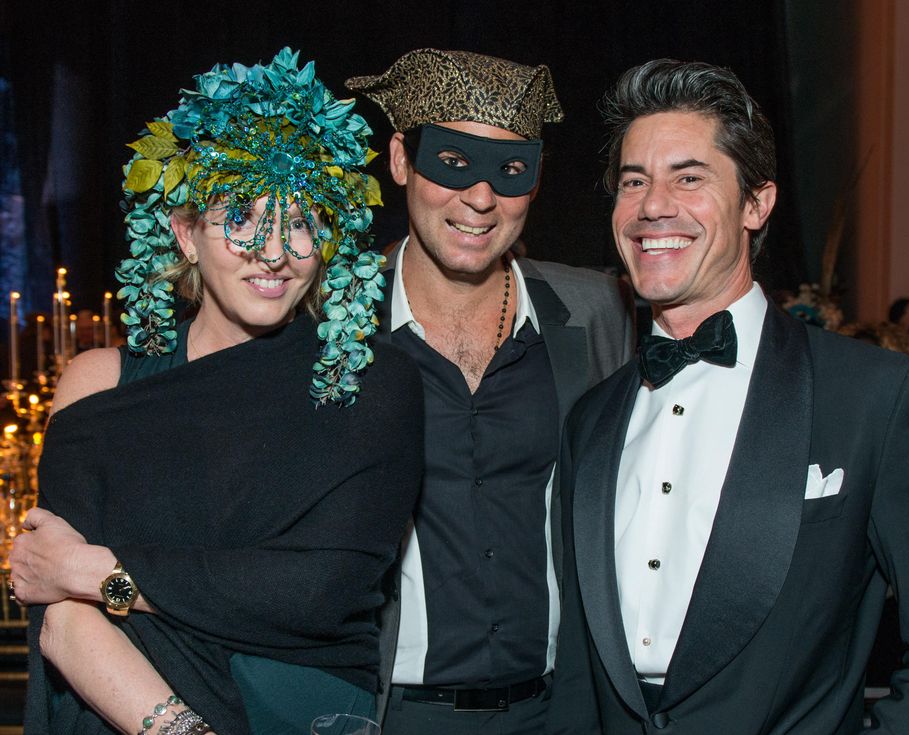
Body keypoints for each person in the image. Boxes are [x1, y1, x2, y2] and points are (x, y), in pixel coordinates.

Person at [548, 58, 909, 734]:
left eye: (689, 178)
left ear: (758, 202)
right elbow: (578, 668)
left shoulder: (876, 397)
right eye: (634, 181)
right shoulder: (592, 420)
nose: (653, 205)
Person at [8, 48, 424, 734]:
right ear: (185, 232)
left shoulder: (373, 382)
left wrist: (97, 570)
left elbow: (318, 593)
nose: (273, 251)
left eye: (299, 221)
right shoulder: (99, 382)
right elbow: (57, 610)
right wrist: (178, 726)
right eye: (240, 215)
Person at [344, 49, 635, 734]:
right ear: (399, 161)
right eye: (453, 163)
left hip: (561, 712)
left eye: (509, 172)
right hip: (394, 715)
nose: (480, 198)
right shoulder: (332, 318)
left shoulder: (598, 313)